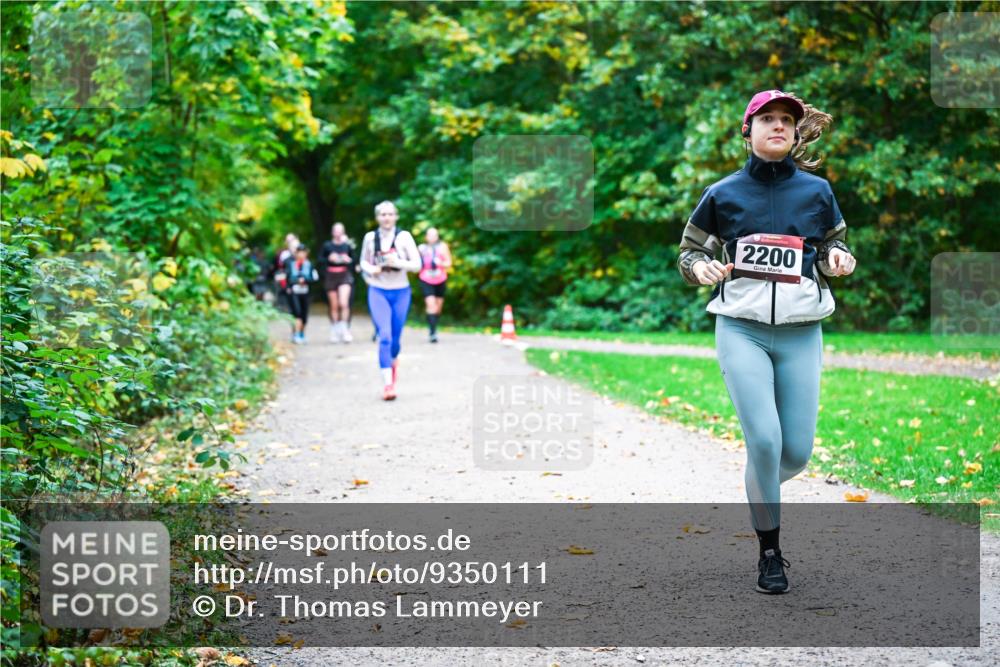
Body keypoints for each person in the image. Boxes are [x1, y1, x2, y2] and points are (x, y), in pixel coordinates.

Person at [676, 90, 856, 594]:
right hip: (742, 329)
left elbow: (831, 249)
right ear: (747, 130)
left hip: (802, 333)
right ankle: (770, 552)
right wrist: (701, 268)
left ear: (797, 133)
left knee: (794, 453)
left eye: (786, 121)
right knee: (764, 441)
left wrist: (838, 260)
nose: (778, 126)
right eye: (767, 119)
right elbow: (690, 253)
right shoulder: (722, 193)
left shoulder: (817, 193)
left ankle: (759, 486)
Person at [359, 201, 421, 400]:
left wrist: (398, 262)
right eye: (382, 214)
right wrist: (372, 270)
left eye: (390, 214)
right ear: (377, 217)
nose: (386, 218)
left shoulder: (404, 237)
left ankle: (393, 364)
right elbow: (363, 262)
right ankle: (388, 385)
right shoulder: (370, 238)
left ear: (396, 216)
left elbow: (417, 265)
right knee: (384, 336)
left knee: (395, 339)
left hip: (401, 292)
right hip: (378, 291)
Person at [320, 222, 356, 343]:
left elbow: (354, 261)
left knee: (344, 303)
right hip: (331, 275)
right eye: (336, 231)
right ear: (332, 232)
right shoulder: (327, 245)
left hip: (344, 275)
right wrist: (329, 258)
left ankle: (345, 328)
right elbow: (320, 259)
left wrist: (348, 260)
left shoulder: (347, 246)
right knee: (334, 305)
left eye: (340, 231)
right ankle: (334, 329)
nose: (338, 233)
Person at [417, 227, 452, 343]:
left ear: (437, 236)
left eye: (434, 235)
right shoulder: (421, 248)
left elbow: (448, 263)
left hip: (440, 280)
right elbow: (416, 264)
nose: (432, 237)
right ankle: (432, 333)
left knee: (438, 307)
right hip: (425, 280)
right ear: (426, 237)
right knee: (431, 304)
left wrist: (441, 263)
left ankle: (434, 327)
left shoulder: (443, 247)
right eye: (430, 235)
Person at [284, 243, 318, 344]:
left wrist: (305, 280)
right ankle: (297, 334)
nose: (301, 255)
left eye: (303, 252)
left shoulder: (309, 264)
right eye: (299, 252)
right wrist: (296, 281)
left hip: (305, 292)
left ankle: (302, 333)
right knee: (297, 313)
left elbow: (314, 278)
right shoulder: (291, 264)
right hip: (294, 292)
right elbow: (287, 278)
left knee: (304, 315)